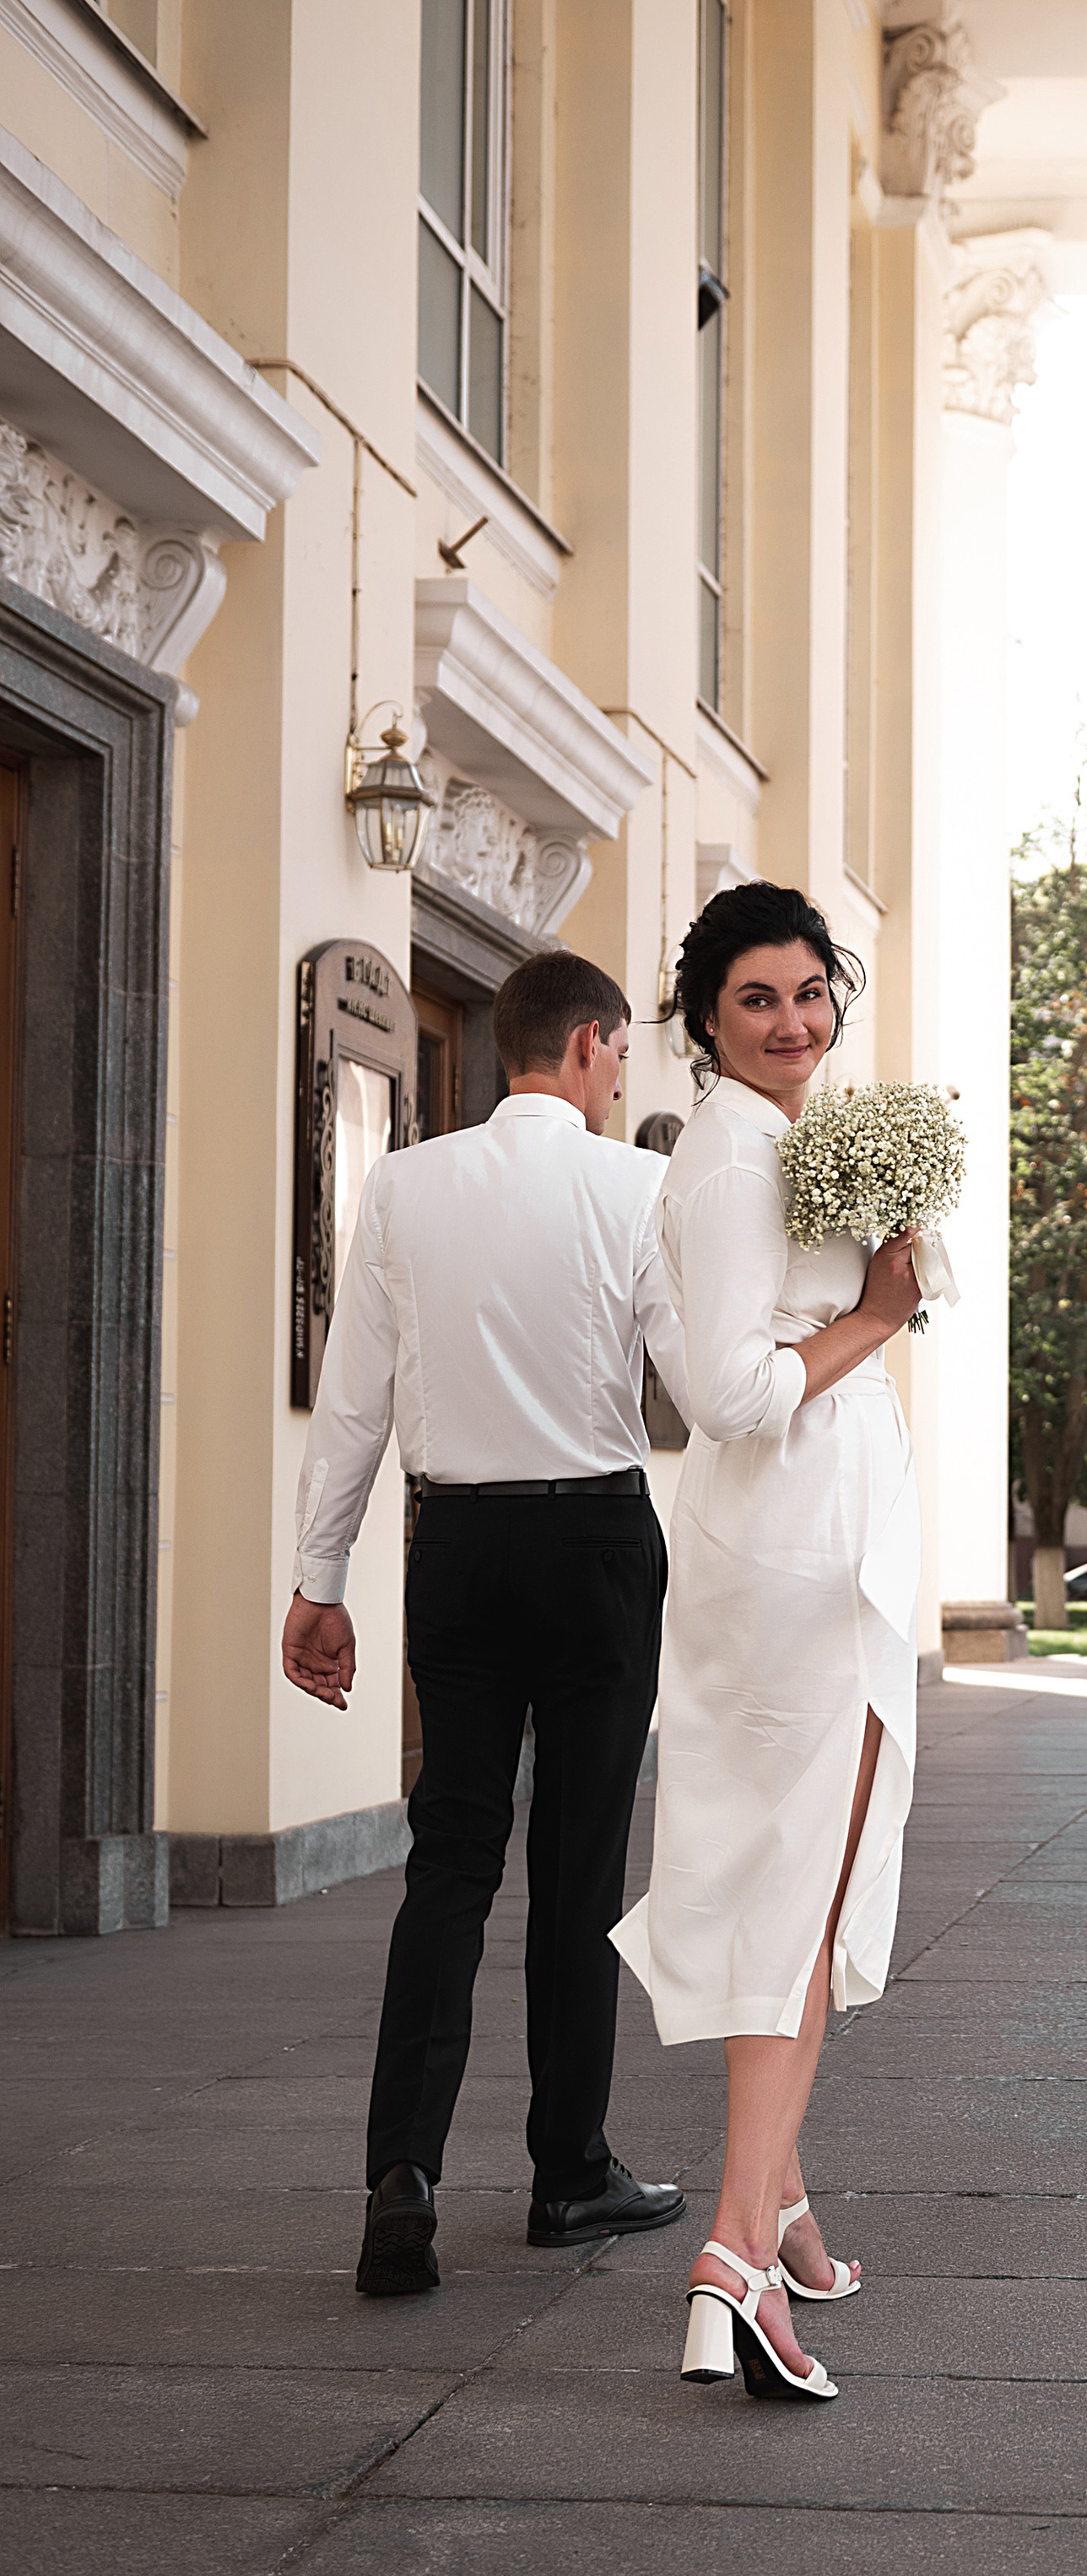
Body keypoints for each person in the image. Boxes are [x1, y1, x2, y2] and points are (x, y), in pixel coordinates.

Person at [281, 950, 693, 2298]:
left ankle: (400, 2174)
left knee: (450, 1858)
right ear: (586, 1046)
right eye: (619, 1051)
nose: (620, 1074)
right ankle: (568, 2175)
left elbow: (353, 1396)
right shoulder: (637, 1186)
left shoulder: (405, 1185)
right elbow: (696, 1382)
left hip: (454, 1546)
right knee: (578, 1868)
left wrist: (319, 1580)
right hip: (596, 1548)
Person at [611, 881, 922, 2405]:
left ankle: (781, 2209)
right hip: (797, 1555)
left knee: (799, 1878)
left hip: (802, 1542)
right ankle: (732, 2256)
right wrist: (878, 1314)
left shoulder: (773, 1138)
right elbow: (731, 1393)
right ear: (705, 1020)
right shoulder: (736, 1157)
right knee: (797, 1898)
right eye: (758, 1000)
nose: (793, 1022)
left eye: (810, 992)